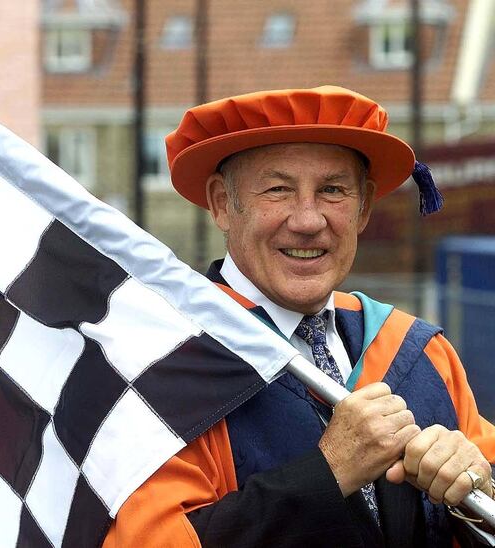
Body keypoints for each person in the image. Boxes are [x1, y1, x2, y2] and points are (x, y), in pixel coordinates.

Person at [102, 86, 495, 547]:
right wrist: (325, 474)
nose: (308, 220)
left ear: (364, 206)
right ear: (223, 204)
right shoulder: (161, 364)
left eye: (332, 190)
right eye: (278, 189)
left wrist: (481, 493)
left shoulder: (421, 352)